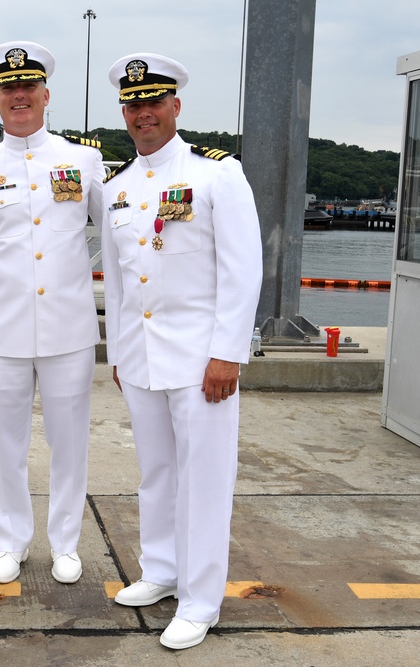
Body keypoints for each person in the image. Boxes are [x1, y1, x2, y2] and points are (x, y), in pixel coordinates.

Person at [100, 53, 263, 650]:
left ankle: (200, 601)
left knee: (204, 481)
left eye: (153, 102)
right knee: (157, 474)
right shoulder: (116, 186)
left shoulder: (218, 174)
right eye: (133, 104)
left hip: (202, 362)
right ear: (125, 111)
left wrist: (229, 353)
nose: (143, 114)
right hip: (141, 358)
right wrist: (119, 352)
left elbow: (244, 271)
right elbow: (117, 282)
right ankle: (162, 572)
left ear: (175, 106)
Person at [0, 41, 104, 586]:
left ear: (45, 94)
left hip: (69, 329)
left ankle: (65, 542)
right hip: (2, 332)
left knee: (70, 443)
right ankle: (10, 540)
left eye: (28, 87)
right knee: (3, 446)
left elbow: (115, 241)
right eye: (8, 89)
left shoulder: (82, 160)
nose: (19, 97)